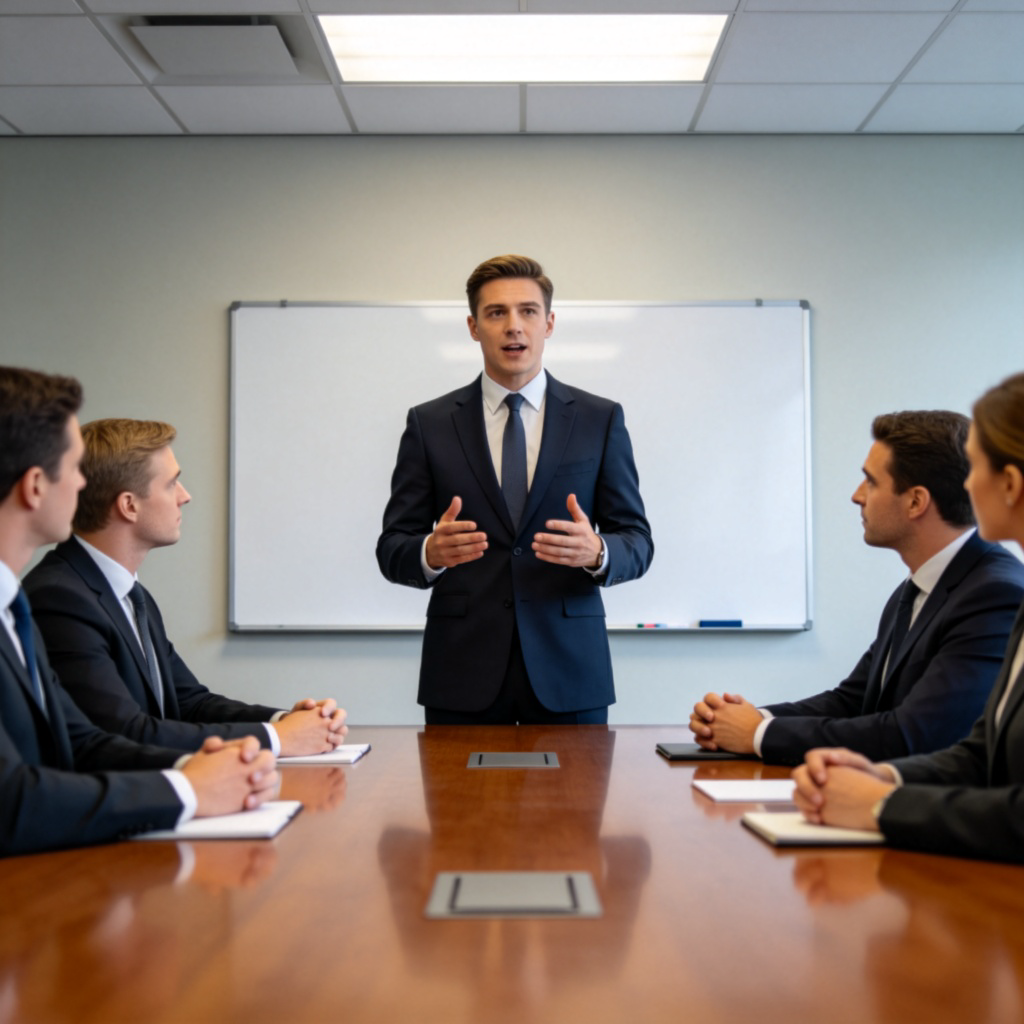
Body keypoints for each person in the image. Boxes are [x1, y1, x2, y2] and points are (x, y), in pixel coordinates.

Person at [0, 365, 278, 857]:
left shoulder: (13, 605)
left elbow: (81, 740)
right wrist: (190, 790)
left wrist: (203, 770)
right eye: (75, 468)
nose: (85, 484)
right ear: (36, 486)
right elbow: (12, 799)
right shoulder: (50, 595)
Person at [376, 254, 653, 724]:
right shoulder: (430, 424)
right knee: (457, 801)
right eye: (496, 313)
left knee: (577, 801)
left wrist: (598, 551)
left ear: (549, 323)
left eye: (527, 312)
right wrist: (430, 552)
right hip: (462, 671)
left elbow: (637, 541)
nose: (513, 327)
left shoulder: (599, 419)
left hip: (570, 670)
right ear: (473, 326)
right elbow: (392, 548)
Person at [690, 410, 1024, 764]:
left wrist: (757, 734)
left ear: (915, 501)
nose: (856, 495)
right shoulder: (913, 589)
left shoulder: (994, 595)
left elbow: (914, 734)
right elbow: (853, 700)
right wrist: (746, 719)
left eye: (871, 481)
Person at [793, 372, 1024, 862]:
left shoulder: (999, 590)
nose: (963, 483)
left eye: (974, 467)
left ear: (1010, 484)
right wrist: (886, 777)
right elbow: (981, 755)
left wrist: (883, 804)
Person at [23, 418, 348, 755]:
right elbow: (123, 732)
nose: (185, 496)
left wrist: (285, 721)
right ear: (129, 505)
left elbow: (188, 701)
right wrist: (279, 739)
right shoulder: (60, 598)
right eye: (171, 484)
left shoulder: (130, 594)